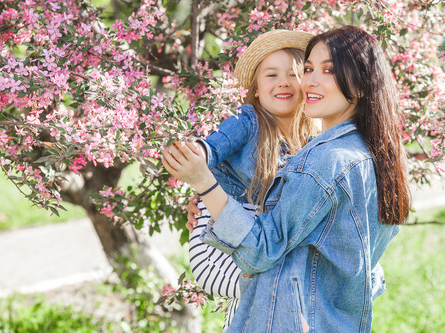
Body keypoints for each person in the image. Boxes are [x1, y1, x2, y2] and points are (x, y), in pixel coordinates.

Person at [162, 25, 410, 332]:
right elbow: (359, 264)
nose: (310, 80)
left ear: (360, 85)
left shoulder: (324, 161)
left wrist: (205, 185)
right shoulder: (374, 155)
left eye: (328, 70)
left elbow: (261, 250)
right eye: (309, 69)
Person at [184, 29, 317, 331]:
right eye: (271, 75)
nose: (283, 81)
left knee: (263, 308)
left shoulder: (311, 141)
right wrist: (196, 159)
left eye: (293, 74)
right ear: (256, 89)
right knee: (281, 292)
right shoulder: (247, 120)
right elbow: (213, 148)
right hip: (218, 246)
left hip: (254, 242)